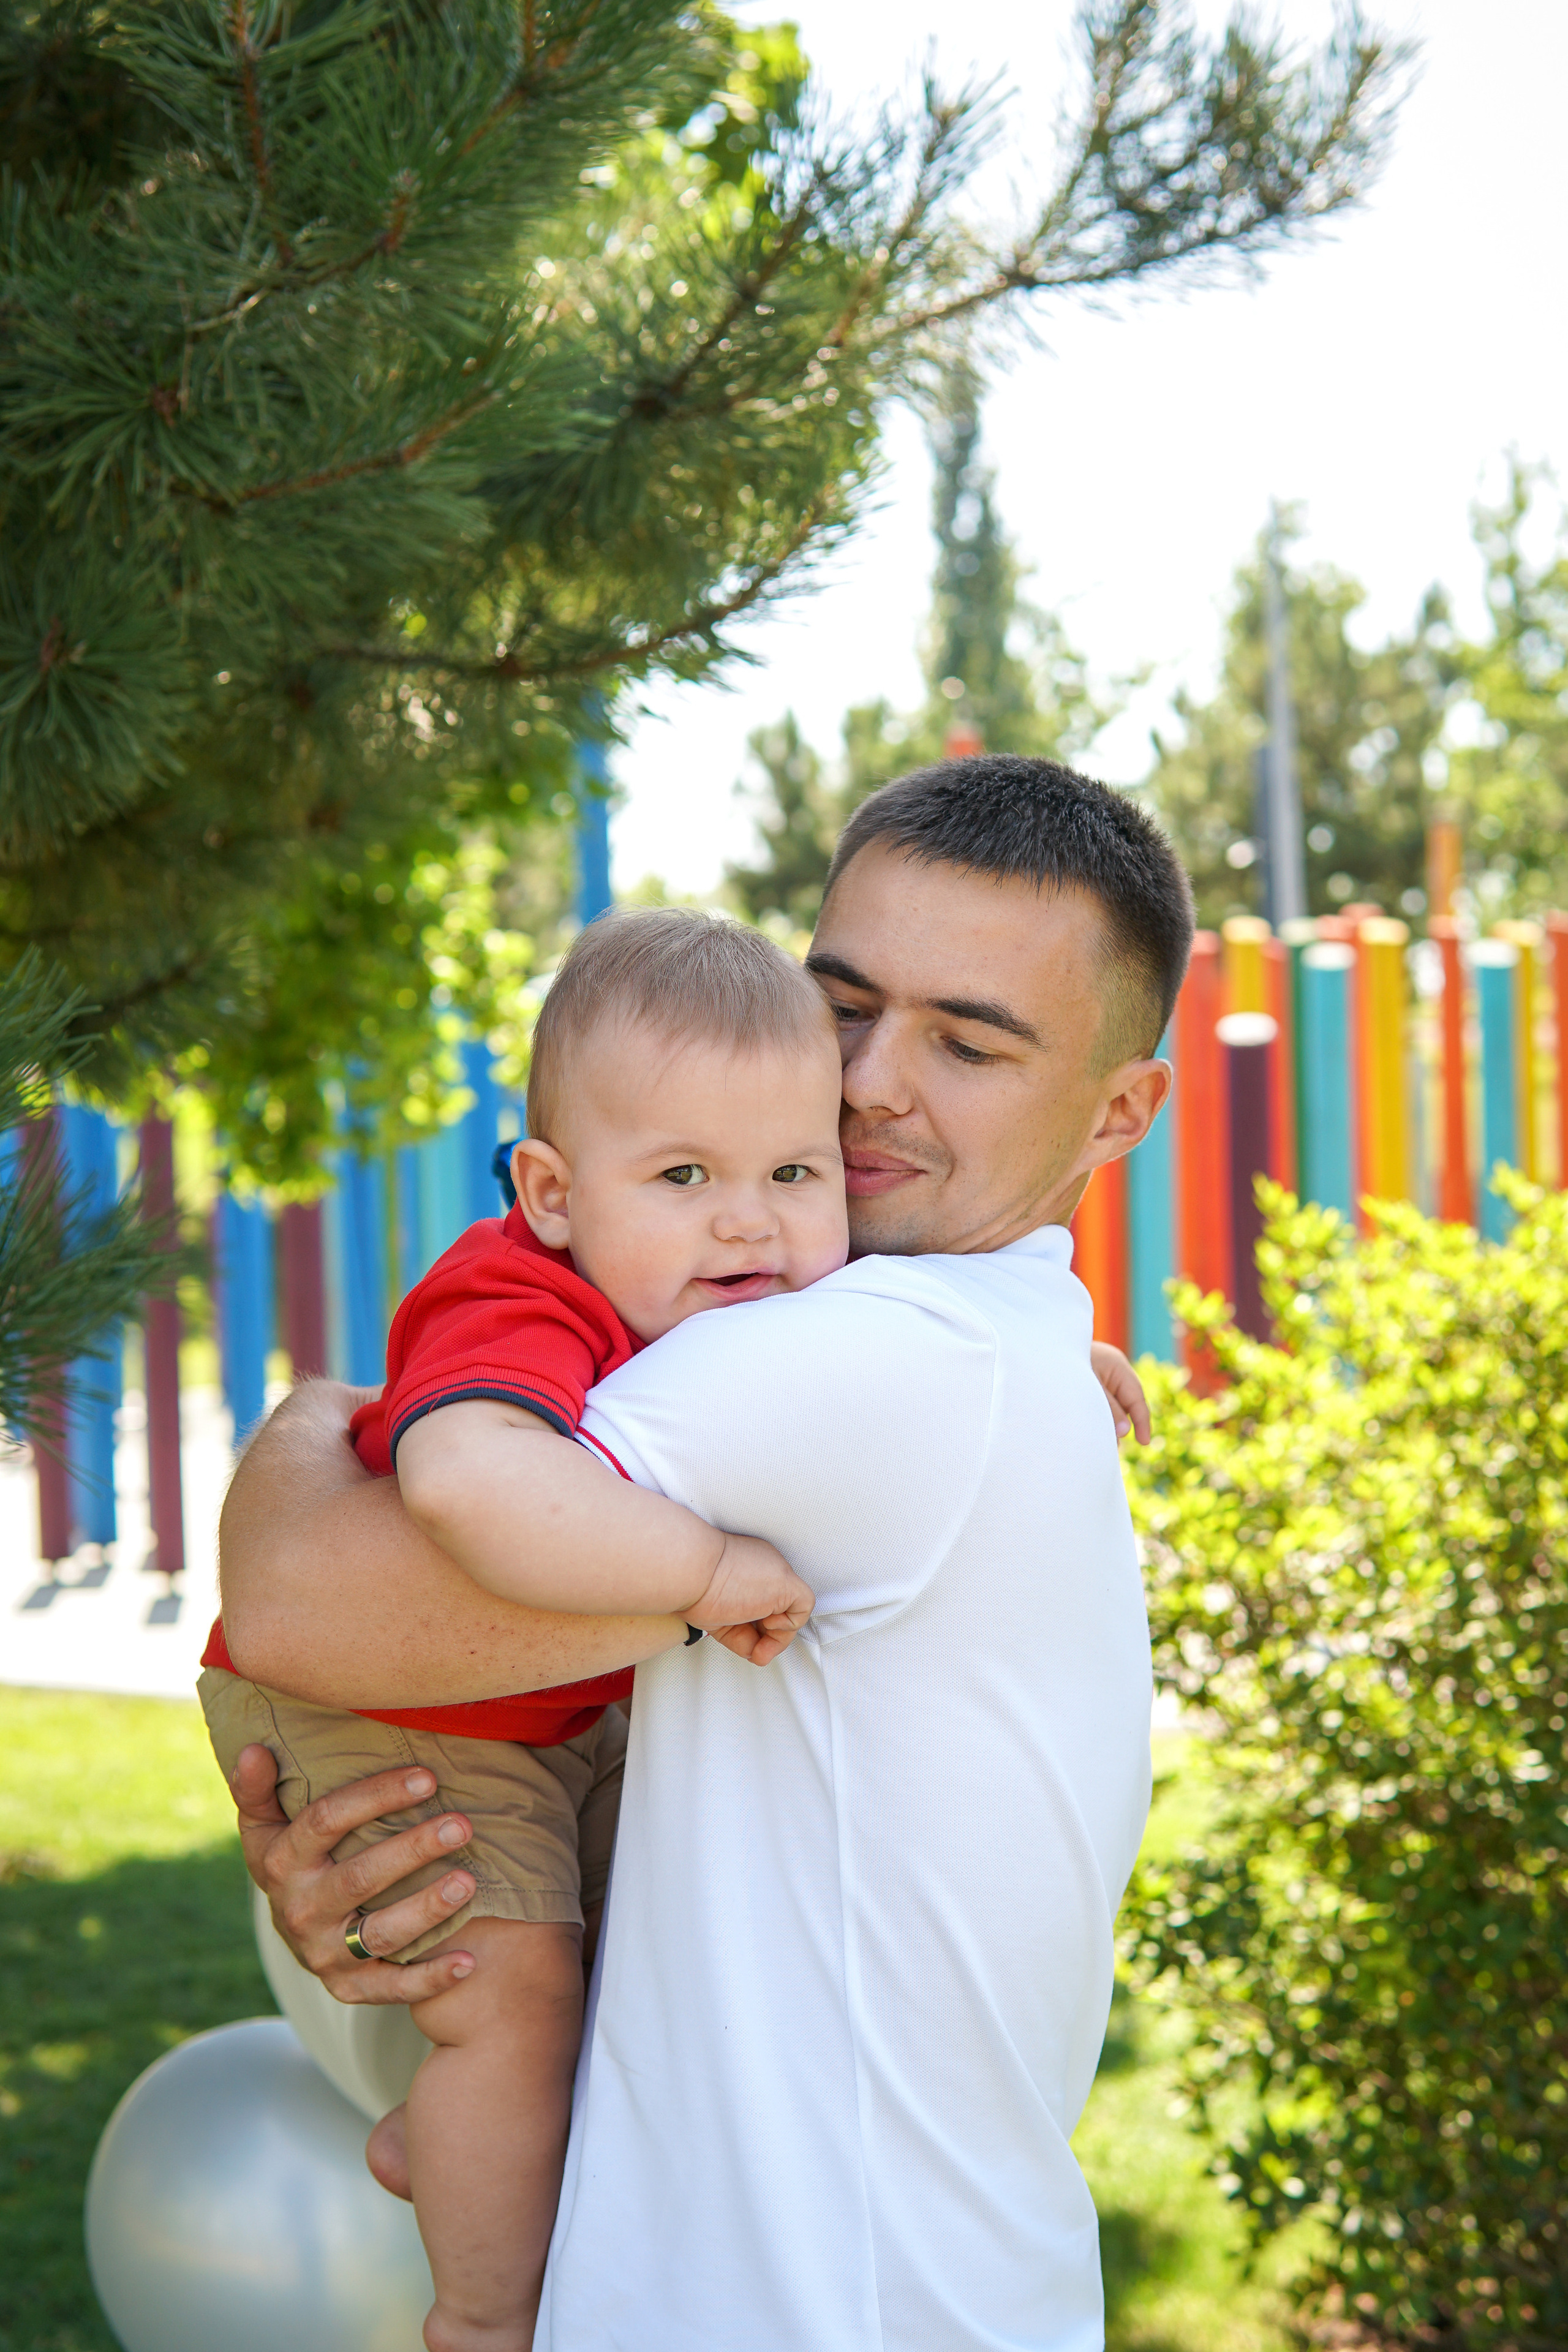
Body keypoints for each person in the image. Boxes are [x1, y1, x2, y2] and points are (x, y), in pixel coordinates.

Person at [220, 755, 1191, 2351]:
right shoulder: (967, 1342)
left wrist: (327, 1413)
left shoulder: (885, 1355)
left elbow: (299, 1600)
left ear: (1120, 1111)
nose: (872, 1080)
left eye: (968, 1040)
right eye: (844, 1004)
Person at [201, 910, 846, 2352]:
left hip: (535, 1713)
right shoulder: (520, 1294)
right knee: (519, 1993)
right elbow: (463, 1478)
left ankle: (446, 2144)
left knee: (662, 1945)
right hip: (392, 1712)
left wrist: (1061, 1351)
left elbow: (897, 1334)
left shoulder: (727, 1289)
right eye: (683, 1175)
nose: (749, 1220)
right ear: (551, 1192)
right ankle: (484, 2320)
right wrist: (696, 1570)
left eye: (794, 1172)